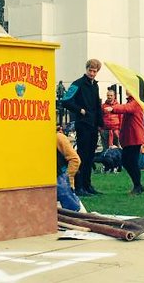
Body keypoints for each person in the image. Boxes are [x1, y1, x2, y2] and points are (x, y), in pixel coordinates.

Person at [62, 59, 104, 196]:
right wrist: (80, 110)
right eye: (90, 70)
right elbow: (66, 101)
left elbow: (97, 106)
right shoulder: (78, 84)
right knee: (82, 155)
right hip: (83, 124)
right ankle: (79, 186)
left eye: (94, 71)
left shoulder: (95, 86)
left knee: (90, 156)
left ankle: (88, 184)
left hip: (93, 125)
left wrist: (100, 123)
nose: (92, 73)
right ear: (86, 69)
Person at [104, 91, 144, 195]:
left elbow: (126, 108)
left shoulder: (135, 102)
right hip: (131, 137)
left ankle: (138, 186)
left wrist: (113, 108)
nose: (127, 90)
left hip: (134, 138)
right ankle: (138, 185)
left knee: (130, 162)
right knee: (127, 161)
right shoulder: (132, 101)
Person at [56, 128, 82, 212]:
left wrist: (68, 178)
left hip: (60, 178)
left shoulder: (58, 137)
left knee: (72, 209)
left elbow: (75, 159)